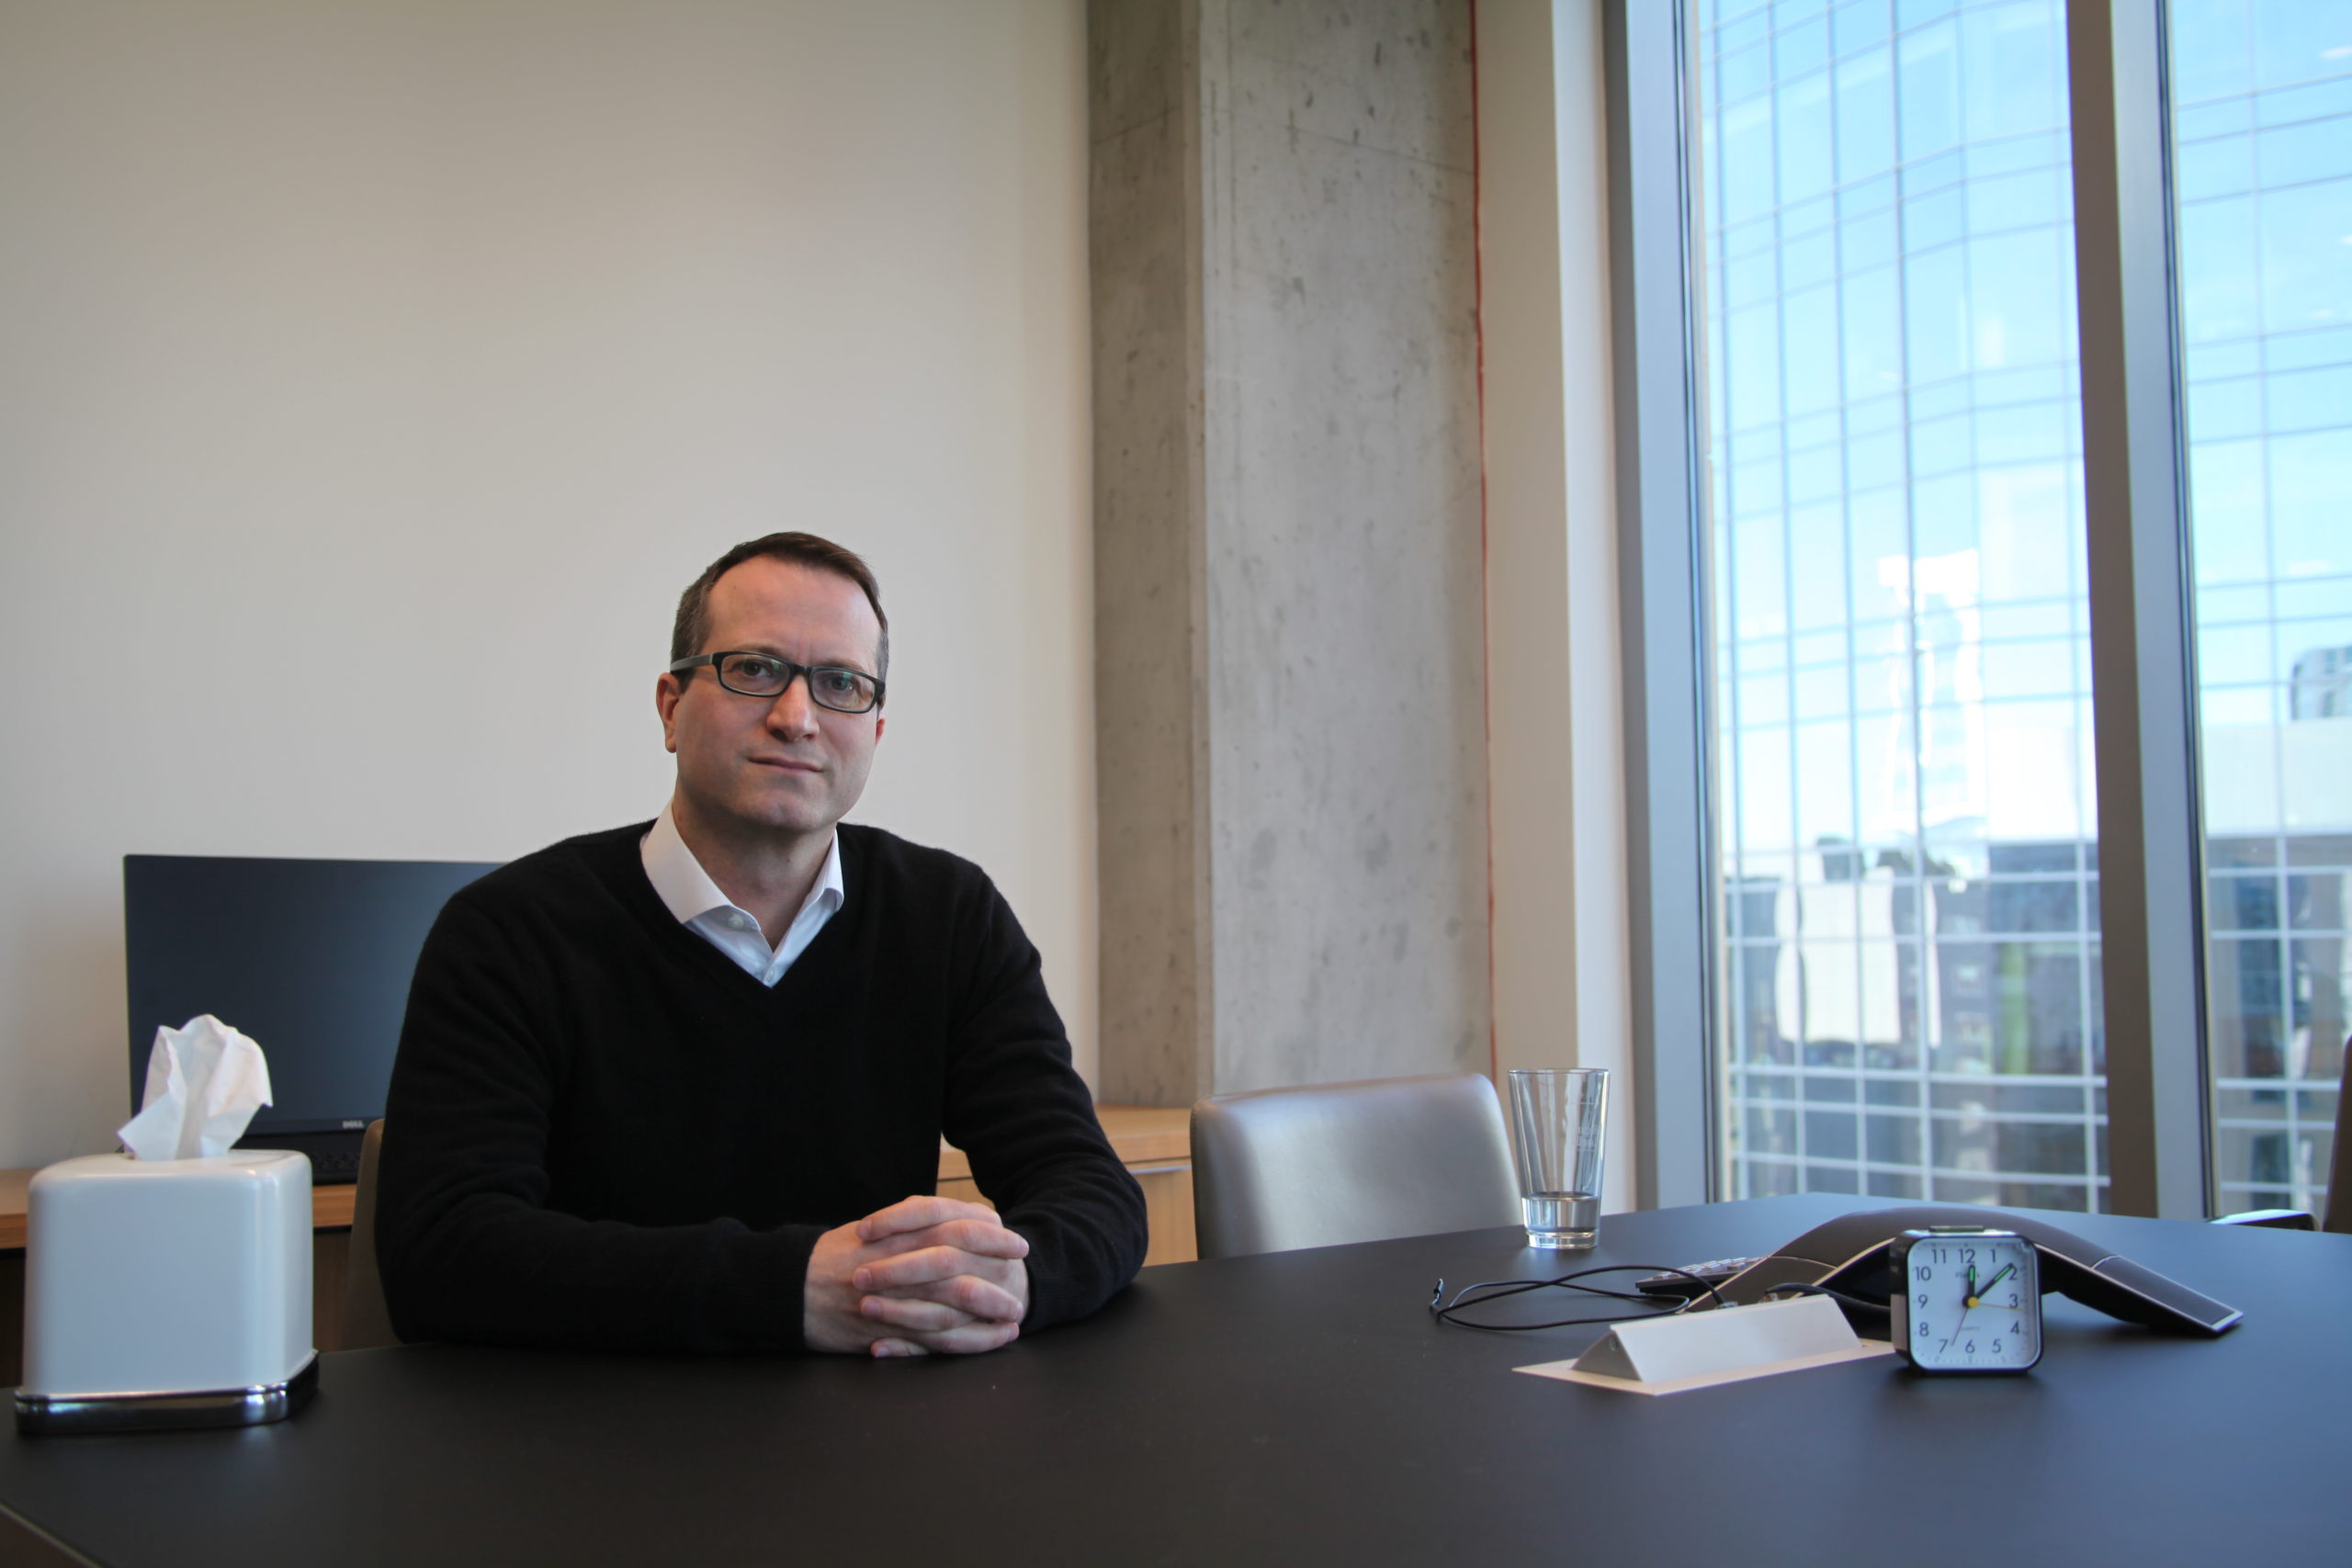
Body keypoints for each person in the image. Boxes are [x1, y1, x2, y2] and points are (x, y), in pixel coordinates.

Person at [377, 532, 1146, 1357]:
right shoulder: (507, 931)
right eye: (753, 670)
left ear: (876, 732)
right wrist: (789, 1289)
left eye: (840, 684)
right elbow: (443, 1253)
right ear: (671, 707)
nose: (797, 717)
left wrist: (1009, 1283)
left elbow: (1090, 1189)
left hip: (876, 1439)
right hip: (587, 1443)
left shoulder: (950, 916)